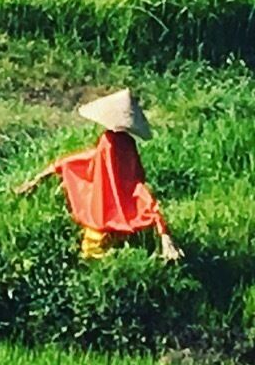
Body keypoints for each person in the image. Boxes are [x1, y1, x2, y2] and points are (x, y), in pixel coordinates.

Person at [15, 88, 182, 262]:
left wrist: (36, 180)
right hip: (125, 231)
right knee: (118, 258)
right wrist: (164, 234)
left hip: (98, 225)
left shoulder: (107, 142)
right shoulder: (127, 145)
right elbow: (142, 188)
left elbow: (69, 162)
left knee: (93, 259)